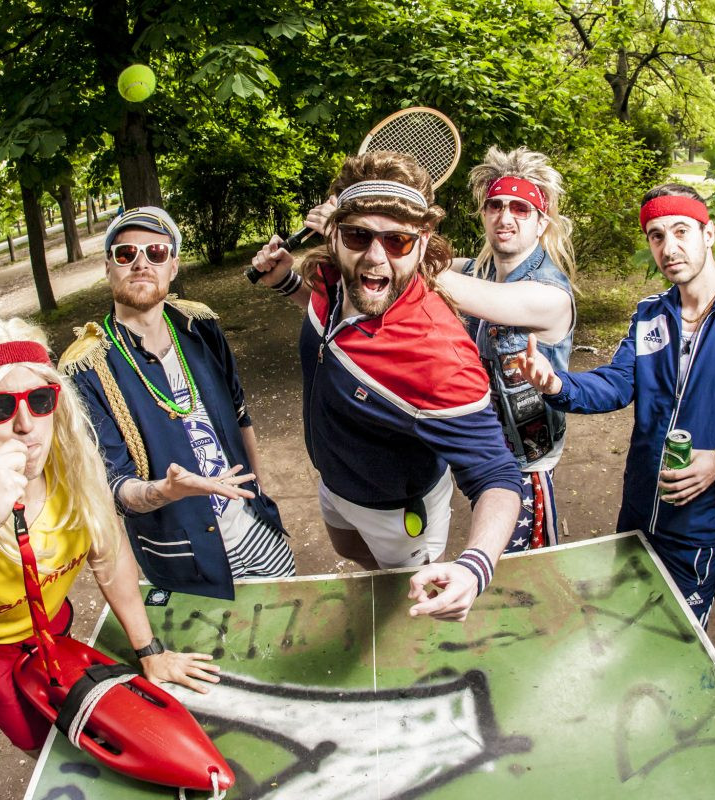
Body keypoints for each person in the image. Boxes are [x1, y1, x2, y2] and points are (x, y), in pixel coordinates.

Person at [0, 317, 220, 754]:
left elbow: (109, 554)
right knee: (42, 748)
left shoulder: (73, 461)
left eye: (40, 400)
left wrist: (149, 650)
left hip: (55, 628)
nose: (26, 425)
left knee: (90, 739)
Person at [517, 183, 715, 627]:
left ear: (708, 234)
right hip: (637, 512)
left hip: (699, 524)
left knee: (680, 637)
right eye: (656, 236)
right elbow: (618, 383)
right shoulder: (650, 313)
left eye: (681, 231)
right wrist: (557, 383)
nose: (669, 248)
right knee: (620, 624)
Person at [249, 150, 523, 622]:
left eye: (397, 241)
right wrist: (286, 282)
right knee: (349, 549)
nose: (375, 258)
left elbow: (497, 475)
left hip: (397, 510)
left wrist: (475, 566)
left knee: (404, 605)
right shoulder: (333, 277)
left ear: (423, 242)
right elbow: (334, 333)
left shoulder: (438, 356)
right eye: (359, 236)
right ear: (335, 235)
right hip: (336, 481)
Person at [63, 206, 293, 602]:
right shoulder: (87, 369)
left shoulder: (200, 326)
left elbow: (240, 415)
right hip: (186, 562)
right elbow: (116, 487)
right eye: (126, 254)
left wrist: (259, 492)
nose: (141, 263)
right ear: (108, 267)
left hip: (259, 534)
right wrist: (167, 491)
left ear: (173, 266)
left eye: (155, 253)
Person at [439, 146, 576, 552]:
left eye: (520, 209)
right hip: (483, 450)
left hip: (525, 465)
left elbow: (434, 277)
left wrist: (404, 251)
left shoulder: (548, 294)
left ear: (541, 223)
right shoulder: (481, 271)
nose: (505, 217)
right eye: (495, 205)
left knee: (523, 573)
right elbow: (428, 262)